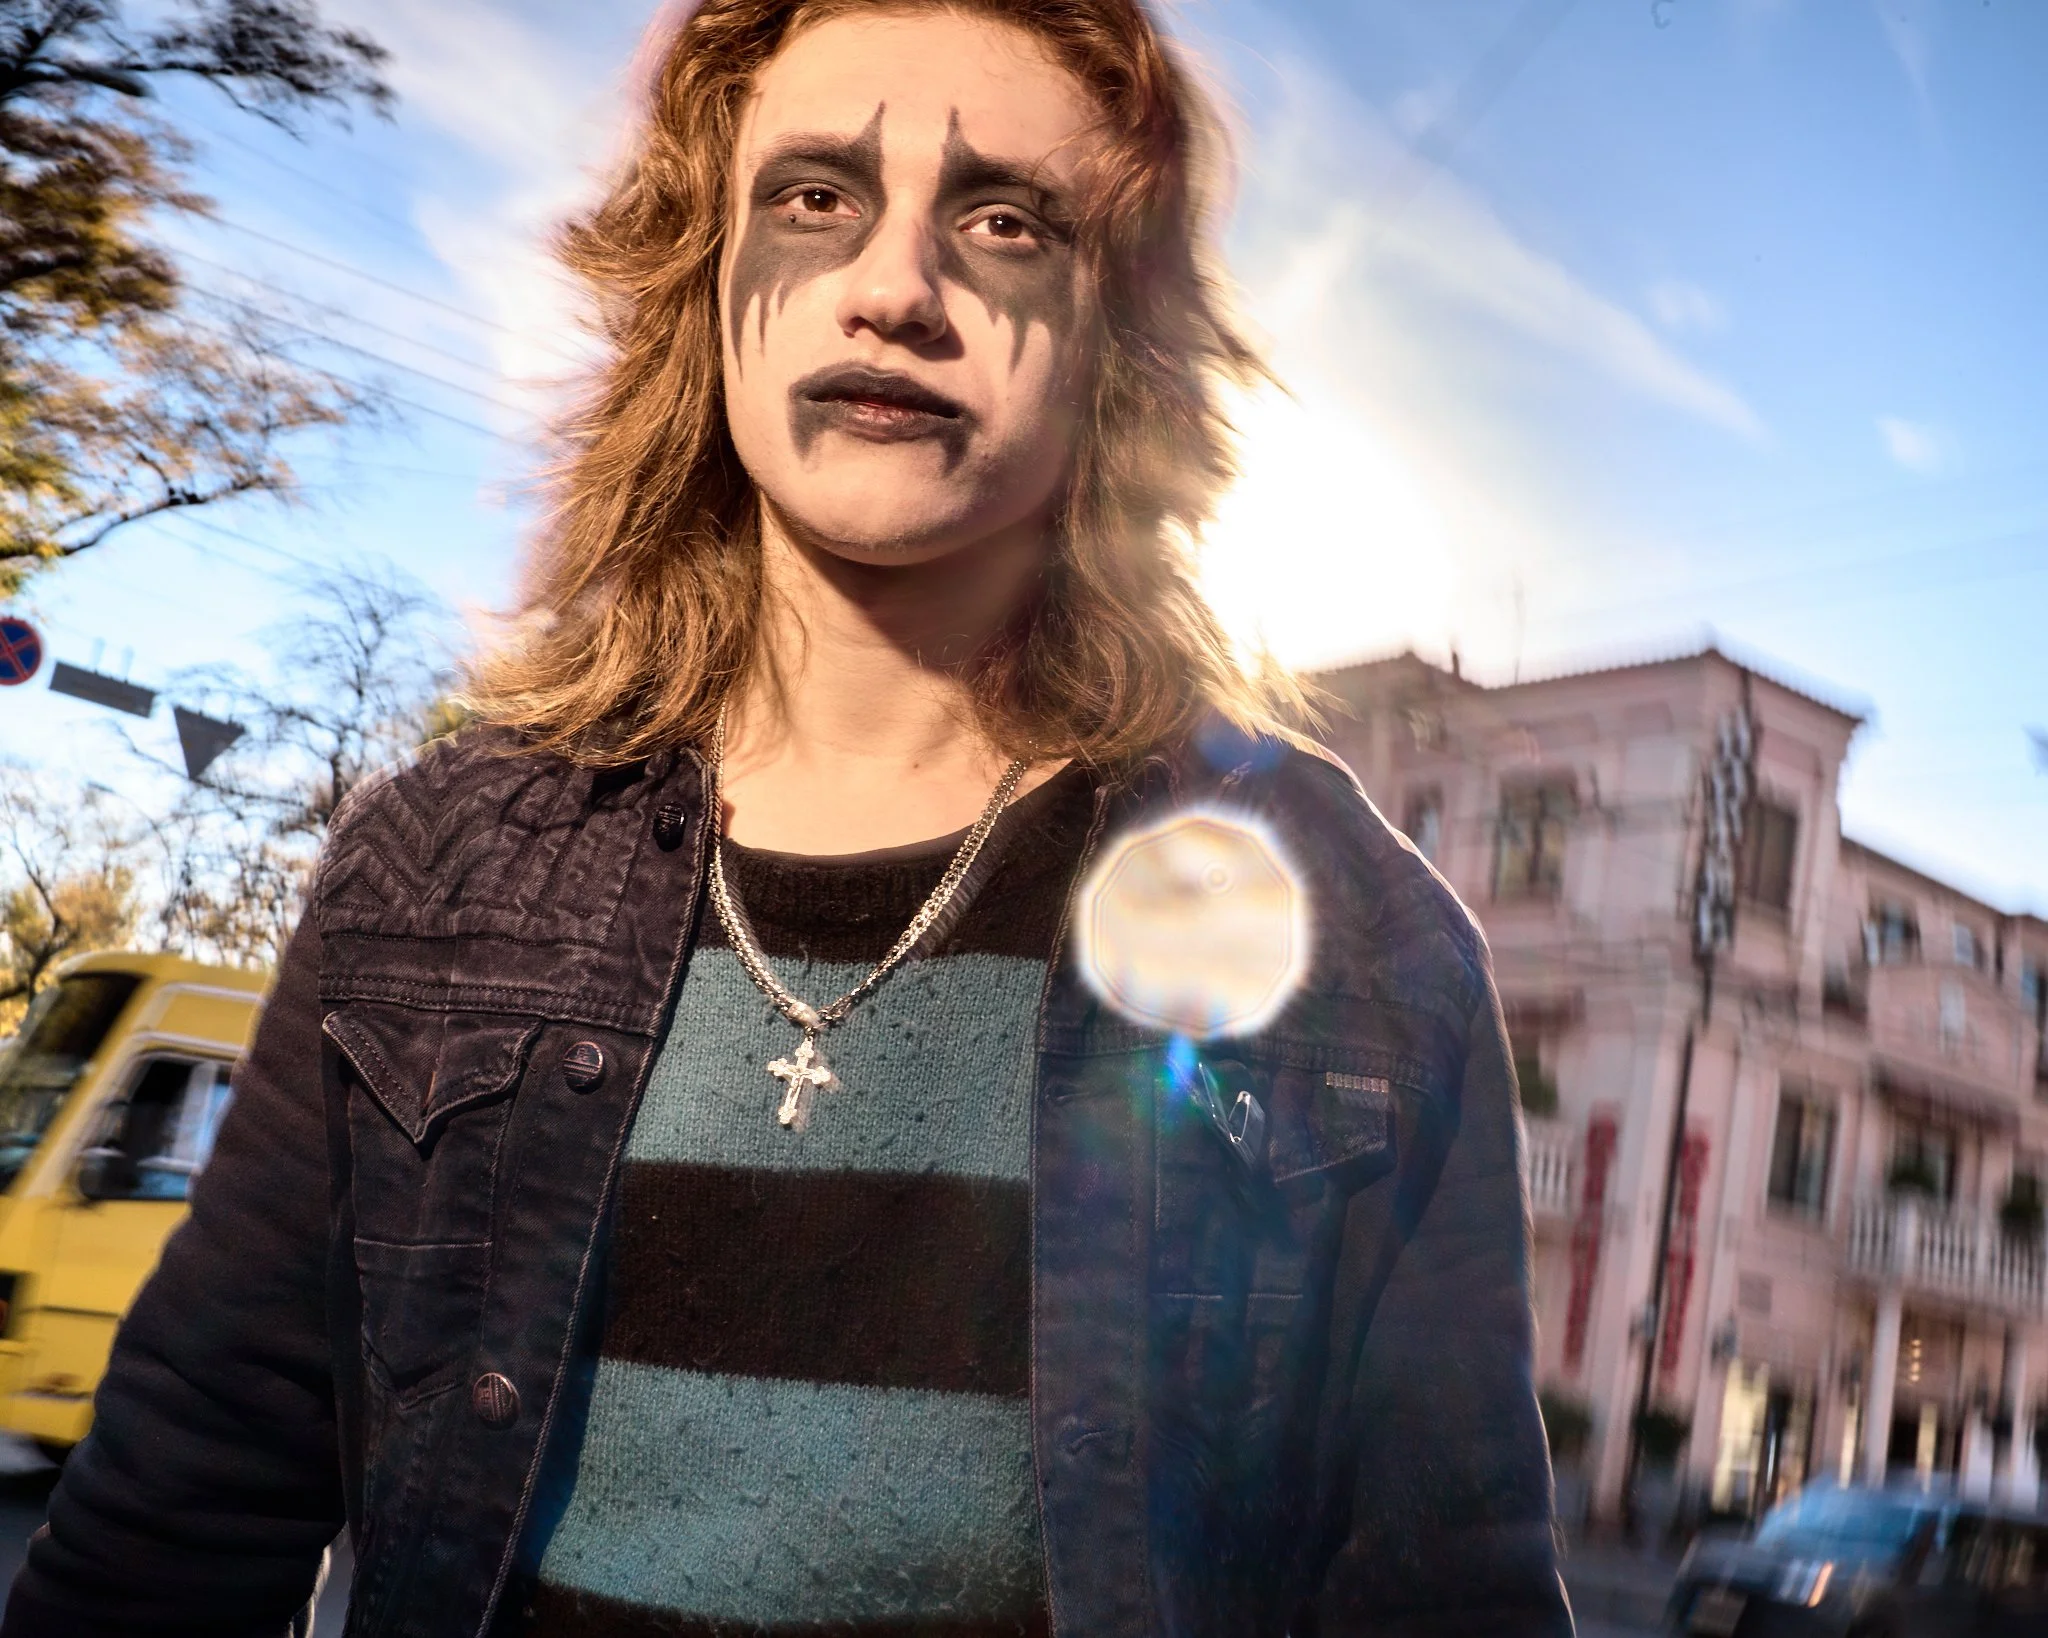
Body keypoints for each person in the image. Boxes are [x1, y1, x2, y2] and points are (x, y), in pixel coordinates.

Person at [1, 1, 1572, 1634]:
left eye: (1005, 219)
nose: (895, 287)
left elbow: (1450, 1593)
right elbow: (168, 1531)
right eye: (816, 196)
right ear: (705, 281)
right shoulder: (435, 866)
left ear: (1122, 334)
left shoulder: (1350, 941)